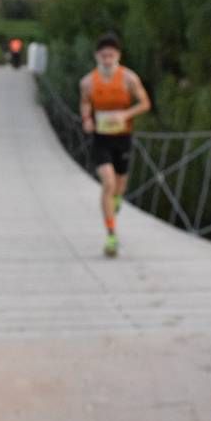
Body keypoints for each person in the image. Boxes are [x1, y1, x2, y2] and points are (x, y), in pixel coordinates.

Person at [78, 32, 151, 257]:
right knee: (108, 183)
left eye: (111, 55)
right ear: (96, 57)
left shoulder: (129, 78)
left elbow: (145, 103)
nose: (107, 59)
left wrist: (125, 114)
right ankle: (111, 235)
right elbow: (85, 104)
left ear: (118, 56)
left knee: (120, 185)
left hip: (123, 136)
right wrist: (87, 119)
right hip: (101, 138)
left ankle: (118, 198)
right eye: (103, 55)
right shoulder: (88, 82)